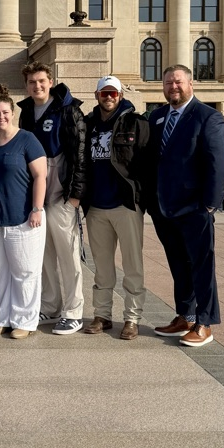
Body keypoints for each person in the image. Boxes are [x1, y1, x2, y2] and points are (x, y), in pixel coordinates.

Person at [148, 64, 224, 348]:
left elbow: (219, 163)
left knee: (201, 266)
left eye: (178, 82)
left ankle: (205, 322)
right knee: (178, 265)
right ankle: (185, 315)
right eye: (169, 82)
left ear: (191, 84)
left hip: (195, 208)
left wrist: (210, 204)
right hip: (164, 207)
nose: (174, 87)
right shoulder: (157, 117)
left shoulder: (208, 117)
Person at [18, 62, 87, 336]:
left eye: (42, 81)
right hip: (36, 194)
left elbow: (81, 155)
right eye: (32, 82)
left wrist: (75, 197)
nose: (37, 86)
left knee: (67, 254)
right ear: (27, 85)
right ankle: (50, 303)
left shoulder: (68, 110)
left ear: (51, 81)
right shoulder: (25, 112)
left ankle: (74, 311)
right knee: (43, 254)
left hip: (61, 192)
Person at [82, 76, 151, 340]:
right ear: (96, 95)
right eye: (104, 93)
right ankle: (102, 315)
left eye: (113, 93)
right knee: (102, 266)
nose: (108, 97)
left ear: (120, 95)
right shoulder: (88, 125)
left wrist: (141, 199)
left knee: (133, 265)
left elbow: (147, 163)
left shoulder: (137, 122)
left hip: (125, 205)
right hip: (96, 206)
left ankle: (131, 318)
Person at [0, 85, 47, 339]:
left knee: (25, 271)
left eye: (5, 112)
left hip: (23, 218)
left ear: (13, 113)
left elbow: (41, 175)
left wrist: (37, 209)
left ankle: (25, 320)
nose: (1, 117)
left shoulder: (27, 139)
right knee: (0, 271)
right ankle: (5, 315)